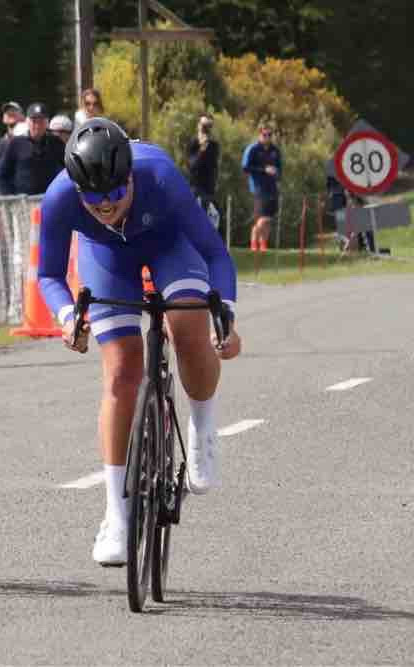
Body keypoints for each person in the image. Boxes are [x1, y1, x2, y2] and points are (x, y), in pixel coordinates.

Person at [38, 118, 241, 565]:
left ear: (130, 177)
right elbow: (49, 275)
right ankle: (117, 511)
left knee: (187, 328)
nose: (106, 205)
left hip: (171, 244)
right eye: (93, 199)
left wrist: (225, 312)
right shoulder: (59, 197)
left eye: (114, 193)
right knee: (120, 372)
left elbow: (215, 254)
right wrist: (69, 315)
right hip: (106, 258)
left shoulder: (159, 174)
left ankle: (204, 427)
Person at [0, 102, 64, 196]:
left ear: (47, 123)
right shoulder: (16, 143)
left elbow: (68, 170)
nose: (37, 126)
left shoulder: (56, 143)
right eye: (34, 121)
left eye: (41, 121)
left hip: (51, 201)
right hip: (22, 203)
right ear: (27, 121)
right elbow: (1, 175)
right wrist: (9, 198)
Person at [242, 123, 282, 252]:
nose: (267, 137)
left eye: (270, 135)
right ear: (259, 134)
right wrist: (264, 170)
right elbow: (246, 167)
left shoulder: (275, 150)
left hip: (272, 187)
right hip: (258, 187)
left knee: (269, 219)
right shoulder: (253, 149)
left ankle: (263, 244)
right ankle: (253, 243)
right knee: (261, 219)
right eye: (265, 135)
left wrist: (277, 174)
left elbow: (279, 168)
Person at [186, 114, 221, 229]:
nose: (206, 128)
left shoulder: (214, 145)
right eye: (204, 125)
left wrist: (214, 184)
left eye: (209, 126)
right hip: (195, 187)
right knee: (194, 218)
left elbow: (214, 167)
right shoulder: (193, 143)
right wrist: (202, 149)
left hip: (208, 188)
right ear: (198, 126)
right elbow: (192, 166)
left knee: (208, 219)